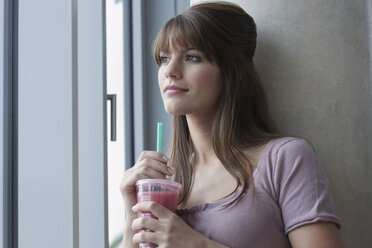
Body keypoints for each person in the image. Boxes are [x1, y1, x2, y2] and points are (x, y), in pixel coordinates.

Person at [120, 1, 343, 247]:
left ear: (232, 72)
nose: (170, 70)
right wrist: (131, 209)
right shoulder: (165, 176)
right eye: (164, 58)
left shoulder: (285, 159)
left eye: (192, 57)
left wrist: (199, 244)